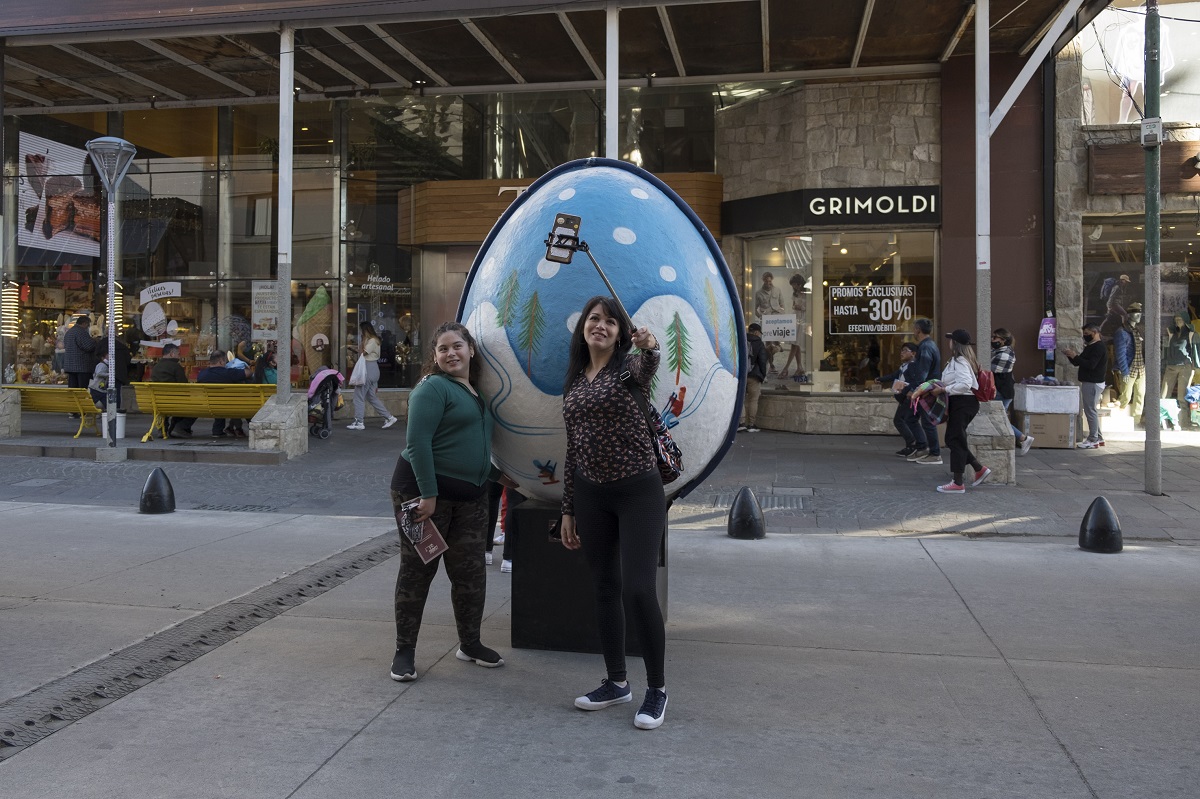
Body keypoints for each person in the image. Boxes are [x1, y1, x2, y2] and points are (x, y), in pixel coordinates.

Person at [559, 295, 669, 731]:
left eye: (610, 321)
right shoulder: (573, 380)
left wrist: (650, 345)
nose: (600, 326)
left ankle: (657, 689)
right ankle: (617, 682)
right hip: (591, 495)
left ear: (621, 332)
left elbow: (649, 364)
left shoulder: (627, 369)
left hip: (638, 492)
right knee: (605, 587)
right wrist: (568, 509)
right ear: (583, 328)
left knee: (639, 589)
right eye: (593, 319)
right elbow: (573, 448)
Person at [388, 321, 517, 682]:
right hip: (422, 494)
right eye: (443, 348)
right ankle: (404, 652)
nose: (451, 353)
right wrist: (428, 495)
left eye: (457, 346)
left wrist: (498, 477)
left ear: (471, 349)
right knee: (417, 572)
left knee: (470, 574)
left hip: (470, 498)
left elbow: (468, 447)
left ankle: (470, 644)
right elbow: (418, 444)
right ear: (435, 356)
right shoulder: (432, 388)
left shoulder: (474, 391)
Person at [913, 329, 990, 493]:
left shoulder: (959, 361)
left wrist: (943, 389)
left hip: (963, 403)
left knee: (955, 439)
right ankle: (978, 468)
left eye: (950, 340)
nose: (948, 342)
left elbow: (965, 384)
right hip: (962, 403)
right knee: (954, 439)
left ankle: (958, 482)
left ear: (955, 343)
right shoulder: (961, 360)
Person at [1064, 322, 1109, 448]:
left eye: (1087, 333)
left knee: (1090, 411)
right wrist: (1071, 356)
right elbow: (1079, 362)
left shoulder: (1098, 347)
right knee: (1091, 410)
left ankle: (1093, 439)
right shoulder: (1091, 346)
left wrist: (1075, 356)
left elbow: (1091, 365)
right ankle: (1098, 437)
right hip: (1089, 381)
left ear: (1095, 333)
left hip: (1093, 382)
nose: (1085, 336)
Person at [990, 328, 1035, 454]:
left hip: (1002, 392)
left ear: (1003, 340)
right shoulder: (997, 351)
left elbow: (988, 369)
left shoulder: (1005, 354)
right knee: (999, 418)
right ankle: (1023, 438)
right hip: (1001, 391)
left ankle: (1023, 438)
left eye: (995, 337)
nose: (992, 339)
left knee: (998, 419)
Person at [905, 318, 943, 465]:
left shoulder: (926, 347)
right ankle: (922, 448)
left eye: (914, 329)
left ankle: (935, 453)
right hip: (926, 388)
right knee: (911, 418)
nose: (913, 332)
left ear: (918, 330)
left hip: (926, 390)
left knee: (927, 422)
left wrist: (915, 391)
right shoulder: (928, 345)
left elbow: (923, 372)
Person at [348, 321, 399, 431]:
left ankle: (359, 422)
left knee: (358, 396)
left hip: (368, 369)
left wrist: (362, 341)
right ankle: (389, 417)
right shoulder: (374, 340)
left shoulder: (371, 341)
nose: (360, 332)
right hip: (374, 370)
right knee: (371, 396)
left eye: (361, 330)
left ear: (365, 330)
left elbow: (363, 353)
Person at [875, 341, 923, 456]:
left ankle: (914, 444)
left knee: (902, 420)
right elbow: (894, 376)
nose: (902, 353)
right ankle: (914, 444)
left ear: (913, 353)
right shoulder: (904, 366)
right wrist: (880, 379)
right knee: (903, 420)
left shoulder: (913, 366)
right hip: (903, 399)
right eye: (901, 350)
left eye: (905, 350)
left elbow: (917, 382)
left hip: (909, 398)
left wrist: (907, 391)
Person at [1161, 314, 1200, 430]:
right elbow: (1166, 349)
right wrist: (1164, 363)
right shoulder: (1171, 333)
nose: (1178, 321)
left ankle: (1183, 423)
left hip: (1185, 366)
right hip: (1171, 366)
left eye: (1180, 319)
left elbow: (1196, 351)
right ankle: (1163, 422)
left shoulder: (1191, 334)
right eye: (1176, 319)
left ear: (1186, 320)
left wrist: (1196, 366)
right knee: (1163, 395)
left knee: (1182, 397)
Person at [197, 351, 246, 438]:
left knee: (217, 402)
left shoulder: (202, 374)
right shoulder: (229, 373)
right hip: (227, 405)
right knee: (236, 402)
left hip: (207, 404)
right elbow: (249, 373)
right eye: (225, 361)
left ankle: (218, 430)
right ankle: (237, 428)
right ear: (221, 361)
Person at [150, 342, 194, 438]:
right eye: (178, 354)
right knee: (193, 405)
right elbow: (184, 386)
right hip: (175, 401)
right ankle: (178, 428)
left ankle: (163, 428)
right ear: (171, 353)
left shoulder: (155, 367)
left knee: (168, 403)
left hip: (158, 402)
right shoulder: (176, 367)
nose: (179, 356)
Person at [1115, 302, 1146, 426]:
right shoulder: (1121, 332)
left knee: (1140, 395)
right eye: (1135, 313)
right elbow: (1120, 353)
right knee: (1125, 396)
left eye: (1139, 313)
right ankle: (1119, 418)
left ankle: (1136, 422)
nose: (1138, 316)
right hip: (1129, 368)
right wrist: (1124, 371)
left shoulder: (1138, 330)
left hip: (1140, 368)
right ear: (1129, 315)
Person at [737, 323, 769, 433]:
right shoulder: (759, 343)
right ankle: (751, 425)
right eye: (759, 333)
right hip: (754, 376)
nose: (759, 335)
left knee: (741, 399)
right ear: (756, 332)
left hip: (742, 375)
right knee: (753, 399)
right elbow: (763, 361)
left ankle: (741, 423)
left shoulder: (740, 339)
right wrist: (763, 375)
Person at [779, 274, 806, 379]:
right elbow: (793, 305)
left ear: (799, 284)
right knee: (795, 344)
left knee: (795, 344)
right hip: (795, 317)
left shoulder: (807, 293)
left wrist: (802, 307)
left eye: (794, 284)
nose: (794, 287)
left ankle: (786, 368)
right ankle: (800, 367)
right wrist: (796, 306)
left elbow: (809, 307)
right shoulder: (795, 293)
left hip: (802, 319)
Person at [62, 314, 96, 390]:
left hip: (70, 366)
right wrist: (95, 341)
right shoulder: (81, 332)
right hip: (81, 366)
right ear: (84, 323)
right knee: (82, 390)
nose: (88, 327)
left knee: (73, 390)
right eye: (88, 325)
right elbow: (88, 346)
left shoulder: (69, 332)